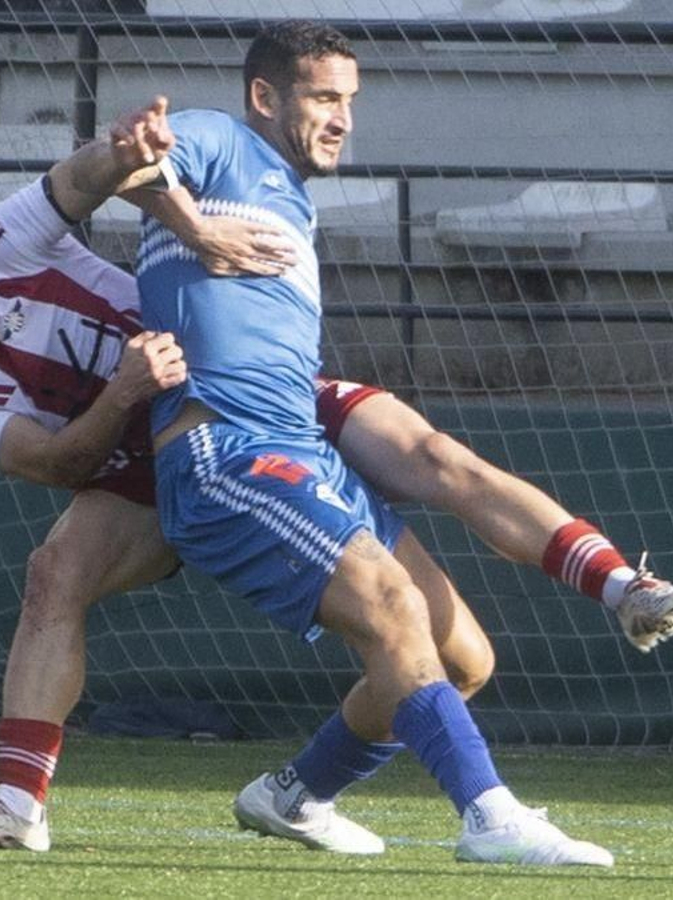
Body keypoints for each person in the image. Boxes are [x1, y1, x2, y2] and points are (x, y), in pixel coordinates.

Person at [0, 70, 673, 863]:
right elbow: (53, 461)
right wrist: (123, 392)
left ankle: (611, 592)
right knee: (53, 574)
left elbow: (94, 171)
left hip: (244, 385)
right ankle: (14, 805)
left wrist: (155, 176)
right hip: (151, 456)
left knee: (460, 623)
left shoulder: (3, 240)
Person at [135, 20, 632, 867]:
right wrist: (197, 227)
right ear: (265, 96)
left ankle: (294, 795)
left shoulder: (290, 194)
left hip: (296, 445)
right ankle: (489, 816)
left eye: (350, 102)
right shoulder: (222, 138)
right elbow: (132, 159)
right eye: (325, 97)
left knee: (459, 656)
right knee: (391, 606)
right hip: (225, 451)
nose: (343, 118)